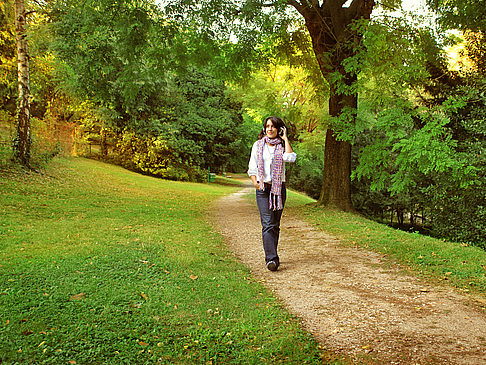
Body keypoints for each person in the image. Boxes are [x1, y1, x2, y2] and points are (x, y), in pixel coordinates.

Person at [247, 116, 297, 271]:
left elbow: (291, 158)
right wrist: (255, 182)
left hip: (278, 190)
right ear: (264, 129)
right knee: (268, 224)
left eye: (273, 126)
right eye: (267, 126)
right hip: (263, 189)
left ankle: (272, 254)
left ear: (279, 129)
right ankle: (271, 259)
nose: (270, 129)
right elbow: (252, 166)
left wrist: (285, 138)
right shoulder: (258, 145)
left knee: (275, 224)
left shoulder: (281, 146)